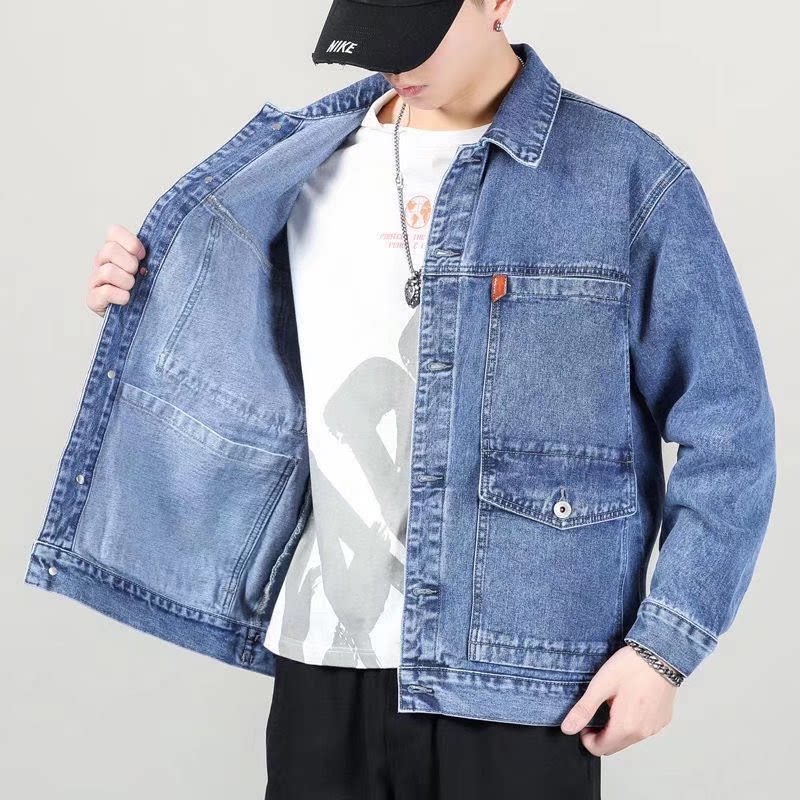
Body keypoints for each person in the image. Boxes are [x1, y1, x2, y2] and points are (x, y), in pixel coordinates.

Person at [77, 2, 776, 799]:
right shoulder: (302, 160)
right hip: (321, 660)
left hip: (516, 676)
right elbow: (246, 368)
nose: (394, 64)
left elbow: (731, 429)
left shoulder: (625, 180)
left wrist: (663, 650)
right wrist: (145, 295)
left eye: (416, 36)